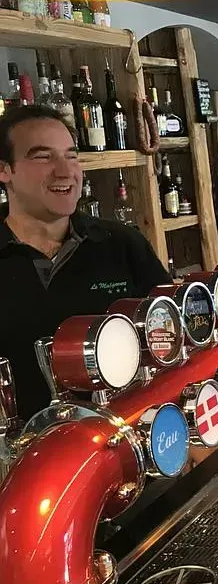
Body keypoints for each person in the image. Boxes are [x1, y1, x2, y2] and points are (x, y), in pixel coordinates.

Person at [0, 105, 170, 420]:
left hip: (126, 442)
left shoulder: (121, 243)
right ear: (4, 170)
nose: (66, 171)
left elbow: (169, 338)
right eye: (43, 157)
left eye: (72, 155)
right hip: (22, 461)